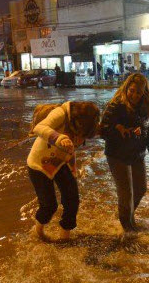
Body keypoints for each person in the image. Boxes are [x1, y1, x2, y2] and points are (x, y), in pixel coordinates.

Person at [27, 101, 101, 241]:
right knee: (49, 206)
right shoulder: (61, 113)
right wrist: (59, 137)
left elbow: (96, 131)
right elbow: (39, 127)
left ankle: (65, 237)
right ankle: (39, 232)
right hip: (39, 164)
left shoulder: (88, 123)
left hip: (63, 163)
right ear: (77, 121)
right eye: (80, 134)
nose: (80, 138)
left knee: (72, 200)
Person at [99, 73, 149, 233]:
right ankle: (128, 229)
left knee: (140, 189)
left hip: (137, 154)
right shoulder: (115, 106)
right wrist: (117, 128)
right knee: (126, 193)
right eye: (131, 91)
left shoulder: (146, 108)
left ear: (144, 93)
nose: (134, 95)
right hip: (117, 155)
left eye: (138, 93)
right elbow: (102, 130)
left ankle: (127, 217)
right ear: (126, 89)